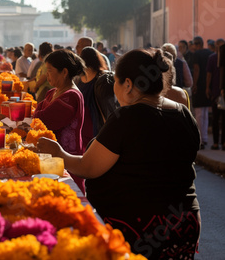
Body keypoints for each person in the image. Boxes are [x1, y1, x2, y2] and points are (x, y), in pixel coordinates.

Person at [37, 48, 200, 259]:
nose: (114, 89)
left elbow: (88, 167)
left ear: (129, 85)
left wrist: (59, 153)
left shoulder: (127, 117)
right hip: (184, 223)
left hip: (141, 227)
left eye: (116, 81)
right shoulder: (183, 112)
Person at [33, 49, 86, 193]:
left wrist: (37, 114)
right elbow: (38, 113)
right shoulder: (52, 92)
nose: (47, 75)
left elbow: (42, 119)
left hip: (66, 159)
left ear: (64, 72)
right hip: (51, 158)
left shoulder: (70, 96)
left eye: (49, 71)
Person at [75, 47, 118, 150]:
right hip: (97, 123)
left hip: (83, 122)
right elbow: (110, 105)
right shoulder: (103, 77)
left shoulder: (78, 79)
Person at [191, 36, 213, 148]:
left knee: (199, 114)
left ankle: (200, 139)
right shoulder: (210, 53)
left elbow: (196, 69)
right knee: (205, 113)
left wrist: (194, 84)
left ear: (196, 44)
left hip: (200, 86)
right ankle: (204, 137)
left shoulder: (196, 54)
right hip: (209, 86)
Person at [206, 38, 225, 150]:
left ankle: (221, 142)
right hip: (216, 92)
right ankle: (216, 142)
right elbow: (209, 74)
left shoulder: (213, 58)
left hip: (220, 91)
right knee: (216, 119)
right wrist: (208, 87)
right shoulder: (212, 58)